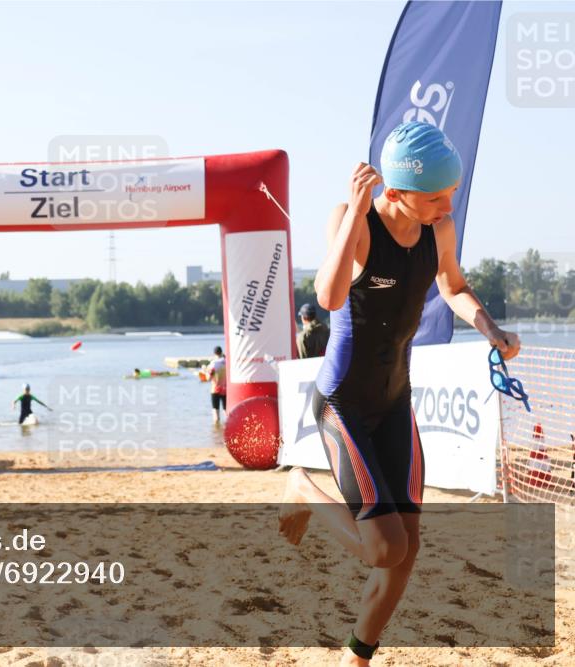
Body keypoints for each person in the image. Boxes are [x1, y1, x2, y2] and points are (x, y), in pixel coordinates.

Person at [278, 121, 521, 666]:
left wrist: (490, 328)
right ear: (395, 191)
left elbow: (452, 286)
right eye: (435, 197)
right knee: (385, 547)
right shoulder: (354, 220)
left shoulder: (439, 228)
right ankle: (301, 488)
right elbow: (329, 295)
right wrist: (355, 213)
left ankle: (356, 657)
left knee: (405, 552)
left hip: (393, 404)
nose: (446, 205)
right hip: (343, 404)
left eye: (451, 193)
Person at [202, 346, 227, 424]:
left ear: (214, 353)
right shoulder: (226, 362)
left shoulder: (213, 364)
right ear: (221, 352)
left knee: (216, 415)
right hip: (225, 390)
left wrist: (205, 371)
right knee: (226, 412)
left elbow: (208, 378)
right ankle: (226, 428)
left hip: (215, 390)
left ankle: (216, 429)